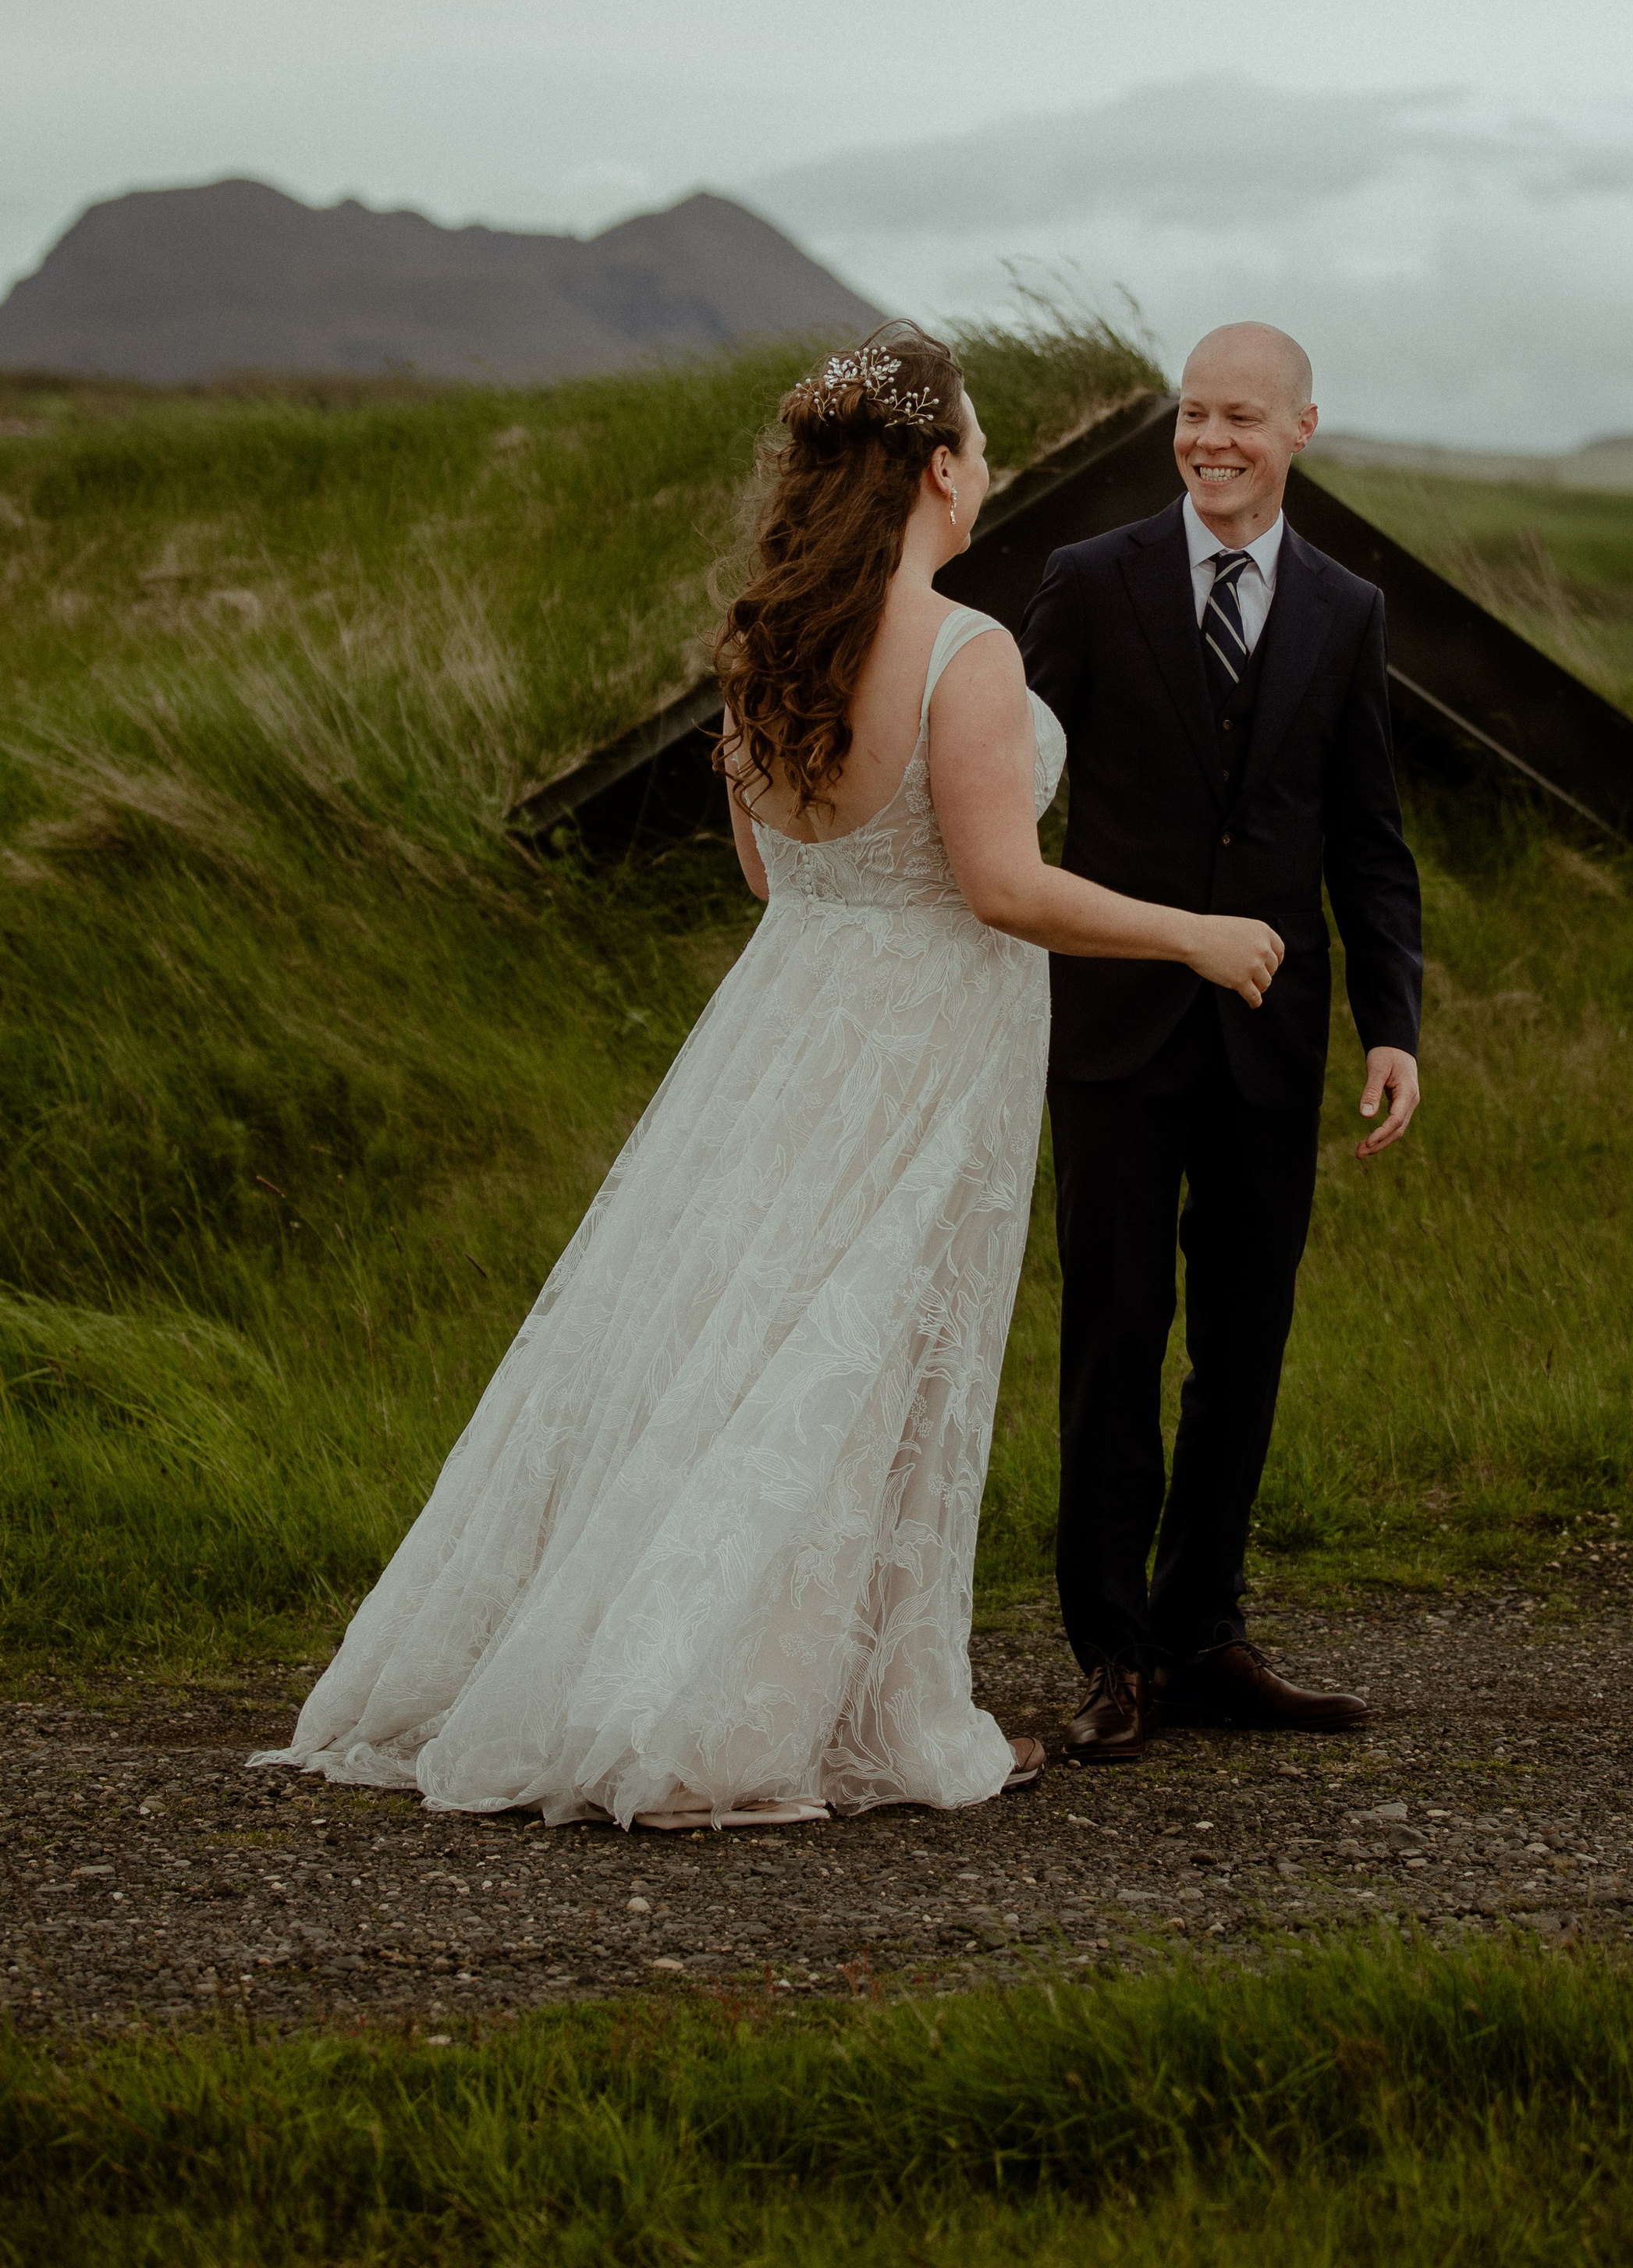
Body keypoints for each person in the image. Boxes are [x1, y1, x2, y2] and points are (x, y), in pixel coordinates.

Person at [254, 322, 1283, 1830]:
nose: (988, 470)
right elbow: (1003, 888)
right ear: (939, 469)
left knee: (742, 1338)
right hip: (928, 1027)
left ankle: (674, 1666)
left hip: (787, 1019)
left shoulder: (766, 641)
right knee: (871, 1354)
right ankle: (769, 1707)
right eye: (982, 447)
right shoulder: (965, 647)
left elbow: (764, 868)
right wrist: (1193, 934)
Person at [1020, 321, 1423, 1764]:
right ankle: (1113, 1656)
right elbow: (1002, 787)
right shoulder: (1091, 581)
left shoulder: (1345, 608)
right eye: (1193, 416)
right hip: (1116, 1030)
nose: (1210, 441)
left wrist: (1396, 1024)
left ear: (1302, 428)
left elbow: (1369, 841)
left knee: (1244, 1347)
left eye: (1240, 418)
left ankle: (1204, 1636)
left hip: (1273, 1037)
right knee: (1116, 1337)